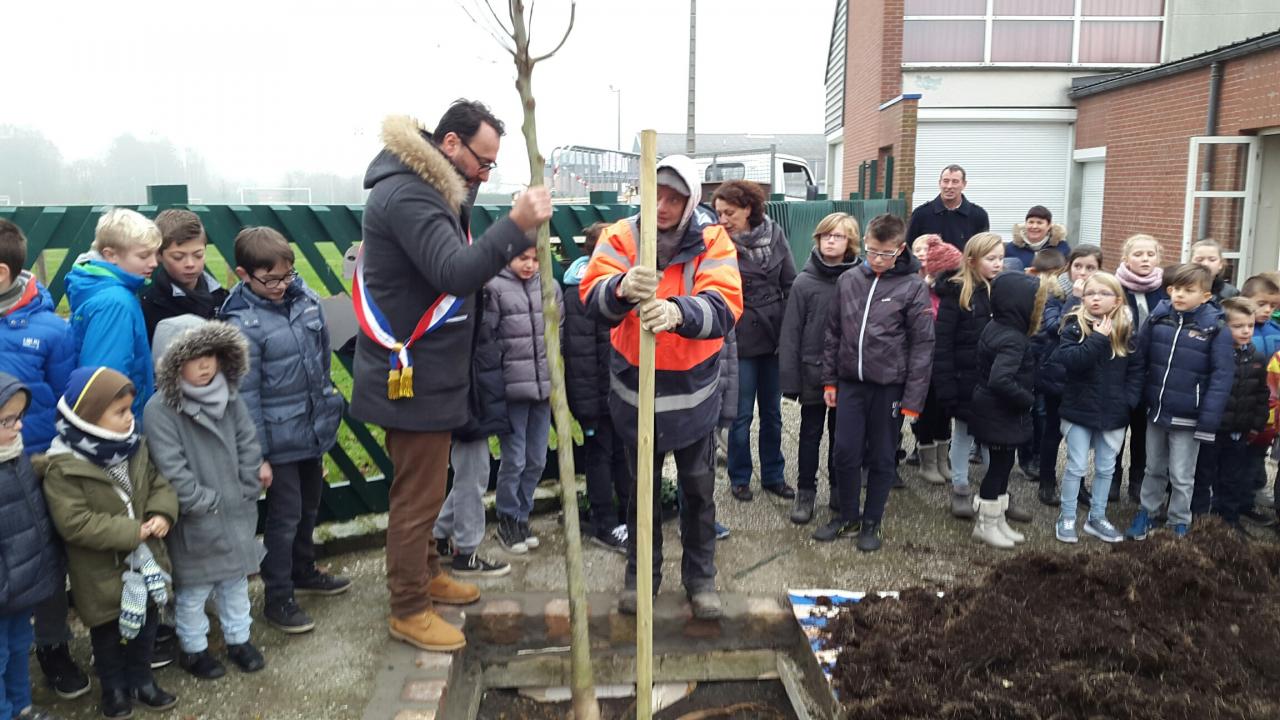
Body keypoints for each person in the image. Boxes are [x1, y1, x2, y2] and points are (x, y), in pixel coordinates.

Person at [352, 103, 552, 652]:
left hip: (431, 374)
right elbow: (454, 273)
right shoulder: (411, 195)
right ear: (449, 144)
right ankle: (408, 607)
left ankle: (427, 575)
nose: (485, 175)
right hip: (411, 375)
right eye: (482, 162)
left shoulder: (429, 188)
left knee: (429, 484)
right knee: (417, 497)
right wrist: (516, 226)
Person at [580, 155, 743, 620]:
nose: (664, 206)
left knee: (697, 491)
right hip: (635, 391)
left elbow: (726, 305)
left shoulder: (712, 240)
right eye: (658, 195)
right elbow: (591, 297)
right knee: (639, 492)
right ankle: (641, 578)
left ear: (691, 201)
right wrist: (620, 286)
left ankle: (700, 579)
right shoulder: (620, 237)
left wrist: (678, 312)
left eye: (675, 198)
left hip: (692, 392)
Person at [219, 227, 349, 635]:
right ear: (244, 274)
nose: (280, 285)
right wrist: (257, 454)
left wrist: (325, 412)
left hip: (309, 430)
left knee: (311, 503)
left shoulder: (305, 299)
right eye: (269, 279)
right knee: (284, 515)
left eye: (286, 276)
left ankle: (303, 568)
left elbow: (322, 361)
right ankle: (278, 596)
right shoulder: (241, 323)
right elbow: (246, 395)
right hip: (276, 440)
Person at [42, 367, 180, 718]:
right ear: (89, 416)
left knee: (148, 626)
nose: (129, 418)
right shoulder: (64, 467)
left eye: (130, 410)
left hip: (146, 562)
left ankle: (142, 679)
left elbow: (157, 482)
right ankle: (114, 689)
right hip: (100, 572)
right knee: (107, 635)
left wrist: (162, 513)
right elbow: (75, 522)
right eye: (119, 412)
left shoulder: (135, 447)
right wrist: (132, 531)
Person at [143, 316, 268, 680]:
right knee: (194, 591)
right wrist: (202, 500)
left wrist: (247, 486)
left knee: (234, 584)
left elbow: (248, 441)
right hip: (196, 518)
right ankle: (194, 648)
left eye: (211, 355)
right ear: (170, 362)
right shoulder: (160, 410)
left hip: (236, 511)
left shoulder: (230, 396)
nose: (204, 365)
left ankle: (238, 639)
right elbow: (170, 466)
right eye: (194, 357)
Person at [0, 220, 89, 699]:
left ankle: (52, 645)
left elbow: (65, 400)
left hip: (33, 467)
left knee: (45, 561)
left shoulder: (50, 330)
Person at [815, 214, 934, 552]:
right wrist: (830, 380)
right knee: (844, 451)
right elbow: (833, 332)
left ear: (901, 249)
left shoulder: (912, 287)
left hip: (889, 388)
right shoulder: (849, 280)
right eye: (872, 252)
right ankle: (847, 517)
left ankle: (872, 521)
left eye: (886, 253)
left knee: (882, 456)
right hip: (850, 383)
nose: (878, 260)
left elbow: (923, 345)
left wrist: (914, 398)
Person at [1126, 263, 1234, 540]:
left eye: (1189, 290)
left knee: (1182, 475)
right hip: (1157, 411)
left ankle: (1178, 521)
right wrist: (1137, 397)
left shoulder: (1216, 328)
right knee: (1153, 468)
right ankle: (1147, 513)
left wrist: (1208, 421)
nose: (1180, 295)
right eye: (1175, 289)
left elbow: (1222, 378)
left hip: (1190, 416)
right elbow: (1140, 359)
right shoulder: (1158, 318)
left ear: (1206, 296)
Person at [713, 181, 796, 503]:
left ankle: (774, 475)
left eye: (729, 212)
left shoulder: (775, 236)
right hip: (739, 337)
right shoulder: (718, 242)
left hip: (774, 336)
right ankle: (740, 476)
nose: (722, 219)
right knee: (739, 413)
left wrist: (787, 330)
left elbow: (790, 282)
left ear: (749, 208)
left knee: (773, 413)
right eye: (719, 212)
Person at [1047, 272, 1143, 543]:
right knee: (1076, 466)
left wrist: (1129, 401)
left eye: (1103, 294)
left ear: (1117, 299)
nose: (1096, 298)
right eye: (1090, 294)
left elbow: (1136, 370)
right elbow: (1072, 360)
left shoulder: (1127, 330)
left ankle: (1097, 517)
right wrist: (1098, 338)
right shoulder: (1074, 326)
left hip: (1115, 412)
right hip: (1079, 408)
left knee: (1106, 467)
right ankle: (1067, 517)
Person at [779, 212, 859, 523]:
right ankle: (805, 492)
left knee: (843, 437)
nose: (830, 240)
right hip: (812, 372)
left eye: (837, 236)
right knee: (809, 434)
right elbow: (791, 332)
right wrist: (790, 379)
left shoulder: (858, 279)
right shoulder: (804, 282)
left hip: (846, 374)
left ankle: (839, 489)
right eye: (826, 235)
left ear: (849, 241)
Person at [488, 246, 562, 554]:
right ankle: (506, 517)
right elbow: (488, 337)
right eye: (523, 257)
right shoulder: (494, 288)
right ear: (508, 256)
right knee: (514, 459)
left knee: (537, 459)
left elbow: (559, 331)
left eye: (535, 259)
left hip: (543, 389)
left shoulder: (550, 287)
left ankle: (522, 514)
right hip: (512, 392)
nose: (530, 264)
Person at [0, 373, 63, 720]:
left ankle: (21, 706)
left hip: (23, 582)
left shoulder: (17, 456)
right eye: (7, 420)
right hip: (3, 584)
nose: (19, 426)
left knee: (19, 645)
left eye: (19, 417)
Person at [968, 272, 1047, 549]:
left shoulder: (996, 326)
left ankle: (998, 519)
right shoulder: (1013, 338)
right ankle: (985, 525)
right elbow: (1000, 379)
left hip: (994, 409)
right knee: (998, 470)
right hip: (1000, 410)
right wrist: (1027, 400)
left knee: (1003, 466)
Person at [563, 222, 630, 552]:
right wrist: (587, 406)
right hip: (597, 397)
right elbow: (579, 355)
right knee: (600, 457)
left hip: (621, 392)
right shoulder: (580, 292)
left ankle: (626, 518)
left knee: (622, 455)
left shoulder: (618, 286)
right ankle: (604, 522)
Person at [65, 208, 160, 422]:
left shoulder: (99, 288)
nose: (154, 262)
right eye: (144, 255)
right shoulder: (115, 303)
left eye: (155, 253)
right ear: (111, 255)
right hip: (119, 423)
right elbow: (106, 379)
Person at [933, 232, 1002, 519]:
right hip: (966, 380)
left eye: (1000, 258)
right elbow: (943, 342)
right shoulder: (956, 293)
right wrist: (946, 384)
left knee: (994, 437)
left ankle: (996, 490)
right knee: (962, 435)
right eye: (991, 258)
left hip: (996, 380)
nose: (998, 264)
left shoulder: (1003, 290)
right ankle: (960, 487)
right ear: (972, 261)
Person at [1190, 297, 1267, 532]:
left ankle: (1230, 522)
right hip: (1213, 429)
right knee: (1205, 476)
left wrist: (1256, 424)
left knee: (1232, 478)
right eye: (1238, 326)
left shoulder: (1256, 357)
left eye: (1250, 326)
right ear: (1224, 327)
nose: (1246, 331)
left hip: (1238, 431)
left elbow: (1262, 394)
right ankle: (1201, 522)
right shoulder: (1215, 356)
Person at [1034, 244, 1102, 507]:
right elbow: (1056, 327)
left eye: (1090, 268)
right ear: (1069, 267)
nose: (1083, 273)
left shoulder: (1102, 294)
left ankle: (1080, 484)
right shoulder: (1057, 294)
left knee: (1082, 436)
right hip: (1058, 375)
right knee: (1053, 431)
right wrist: (1075, 300)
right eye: (1078, 266)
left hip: (1087, 377)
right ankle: (1047, 481)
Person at [1111, 234, 1169, 503]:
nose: (1145, 259)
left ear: (1158, 258)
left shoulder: (1166, 289)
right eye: (1138, 254)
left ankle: (1138, 479)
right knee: (1117, 427)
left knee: (1143, 431)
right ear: (1125, 259)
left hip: (1154, 371)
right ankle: (1111, 477)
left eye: (1150, 254)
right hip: (1120, 370)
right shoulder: (1114, 287)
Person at [912, 236, 963, 485]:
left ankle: (943, 459)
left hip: (946, 360)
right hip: (924, 360)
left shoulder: (950, 293)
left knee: (944, 410)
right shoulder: (918, 287)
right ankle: (927, 461)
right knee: (927, 410)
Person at [140, 210, 229, 342]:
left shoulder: (221, 297)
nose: (190, 264)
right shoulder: (150, 305)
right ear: (159, 255)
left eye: (198, 255)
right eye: (178, 257)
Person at [906, 164, 990, 251]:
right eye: (946, 181)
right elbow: (908, 251)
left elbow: (982, 253)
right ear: (939, 183)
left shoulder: (979, 216)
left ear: (964, 184)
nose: (949, 186)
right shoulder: (921, 214)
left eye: (955, 181)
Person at [1242, 274, 1280, 359]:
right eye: (1261, 304)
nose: (1268, 310)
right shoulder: (1235, 330)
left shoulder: (1277, 330)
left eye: (1273, 306)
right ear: (1244, 300)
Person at [1190, 238, 1239, 303]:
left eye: (1212, 260)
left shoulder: (1231, 294)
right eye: (1199, 260)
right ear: (1190, 263)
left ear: (1220, 264)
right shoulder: (1178, 289)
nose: (1205, 264)